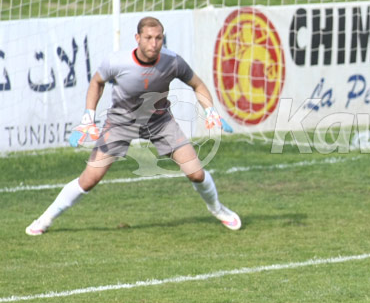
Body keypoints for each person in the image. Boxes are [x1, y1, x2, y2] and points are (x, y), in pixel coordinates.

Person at [26, 16, 241, 235]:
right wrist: (88, 118)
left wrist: (210, 111)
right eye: (148, 38)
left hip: (160, 122)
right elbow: (96, 82)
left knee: (196, 173)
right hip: (120, 123)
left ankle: (218, 209)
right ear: (137, 38)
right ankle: (45, 219)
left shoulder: (173, 62)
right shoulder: (117, 62)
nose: (153, 43)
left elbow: (197, 84)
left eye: (158, 38)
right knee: (90, 179)